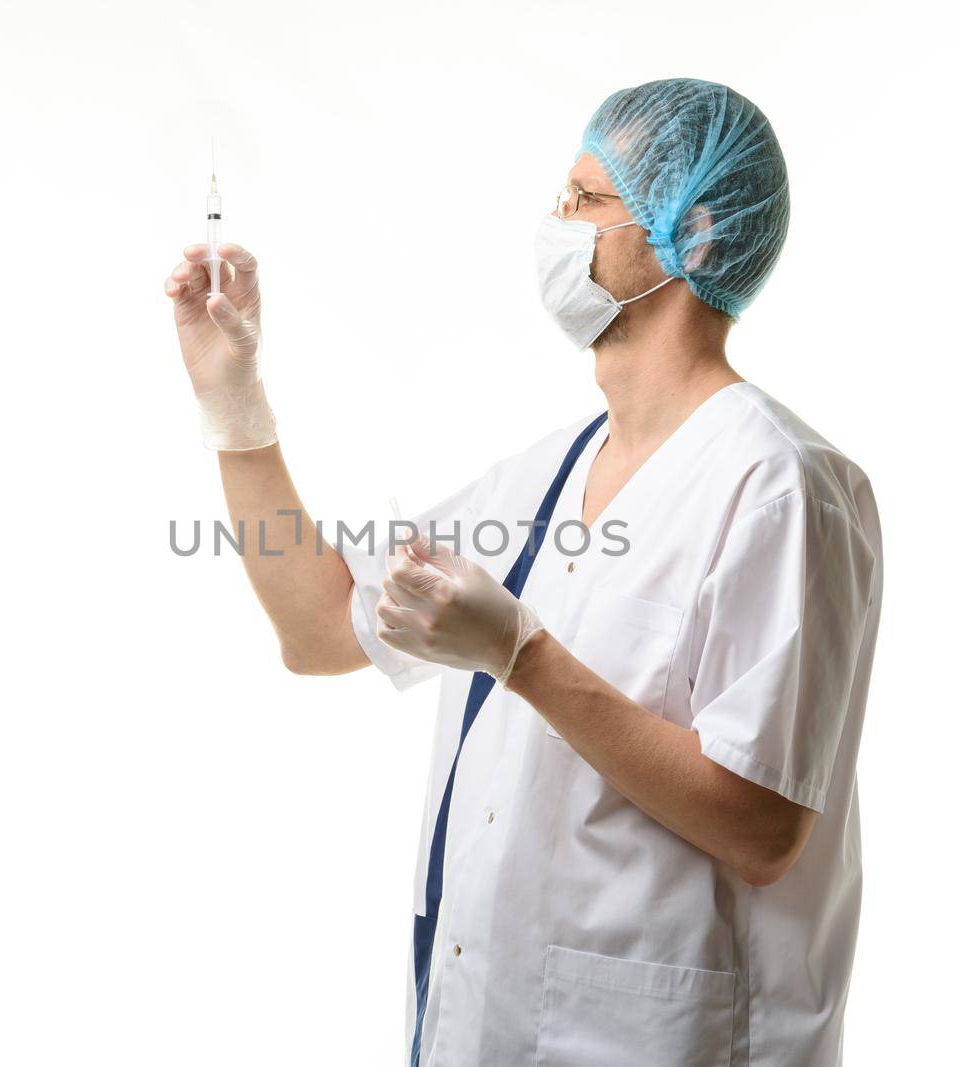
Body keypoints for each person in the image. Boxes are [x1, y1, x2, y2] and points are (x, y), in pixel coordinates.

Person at [163, 78, 882, 1067]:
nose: (555, 228)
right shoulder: (544, 475)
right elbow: (321, 623)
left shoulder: (779, 486)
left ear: (696, 235)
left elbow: (762, 826)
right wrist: (235, 404)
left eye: (586, 201)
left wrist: (520, 655)